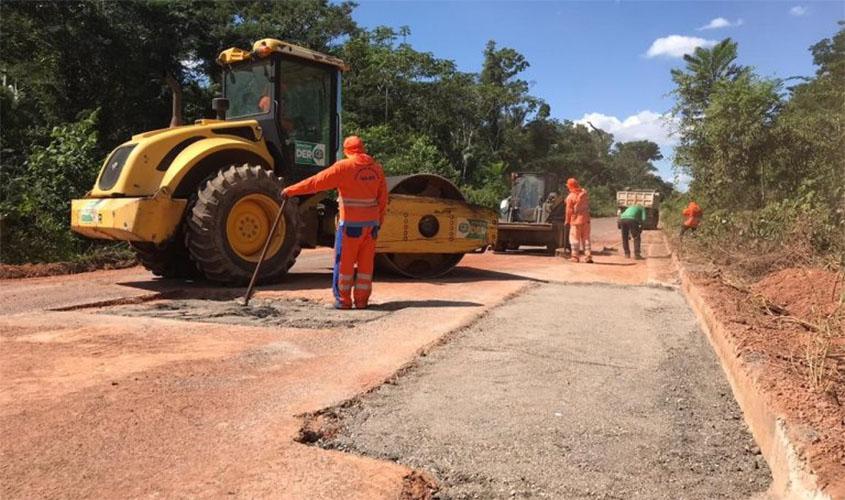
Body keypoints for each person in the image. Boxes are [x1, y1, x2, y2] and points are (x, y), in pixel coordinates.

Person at [282, 136, 388, 309]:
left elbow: (316, 183)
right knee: (366, 265)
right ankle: (362, 301)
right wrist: (379, 222)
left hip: (350, 226)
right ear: (362, 148)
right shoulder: (377, 169)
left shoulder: (344, 167)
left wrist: (290, 191)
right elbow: (383, 200)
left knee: (344, 263)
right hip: (371, 226)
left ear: (347, 151)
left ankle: (343, 301)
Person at [565, 177, 592, 263]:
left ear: (570, 186)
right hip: (586, 220)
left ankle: (575, 257)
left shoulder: (570, 197)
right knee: (586, 238)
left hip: (575, 221)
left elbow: (569, 211)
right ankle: (588, 256)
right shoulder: (584, 194)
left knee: (574, 239)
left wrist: (567, 221)